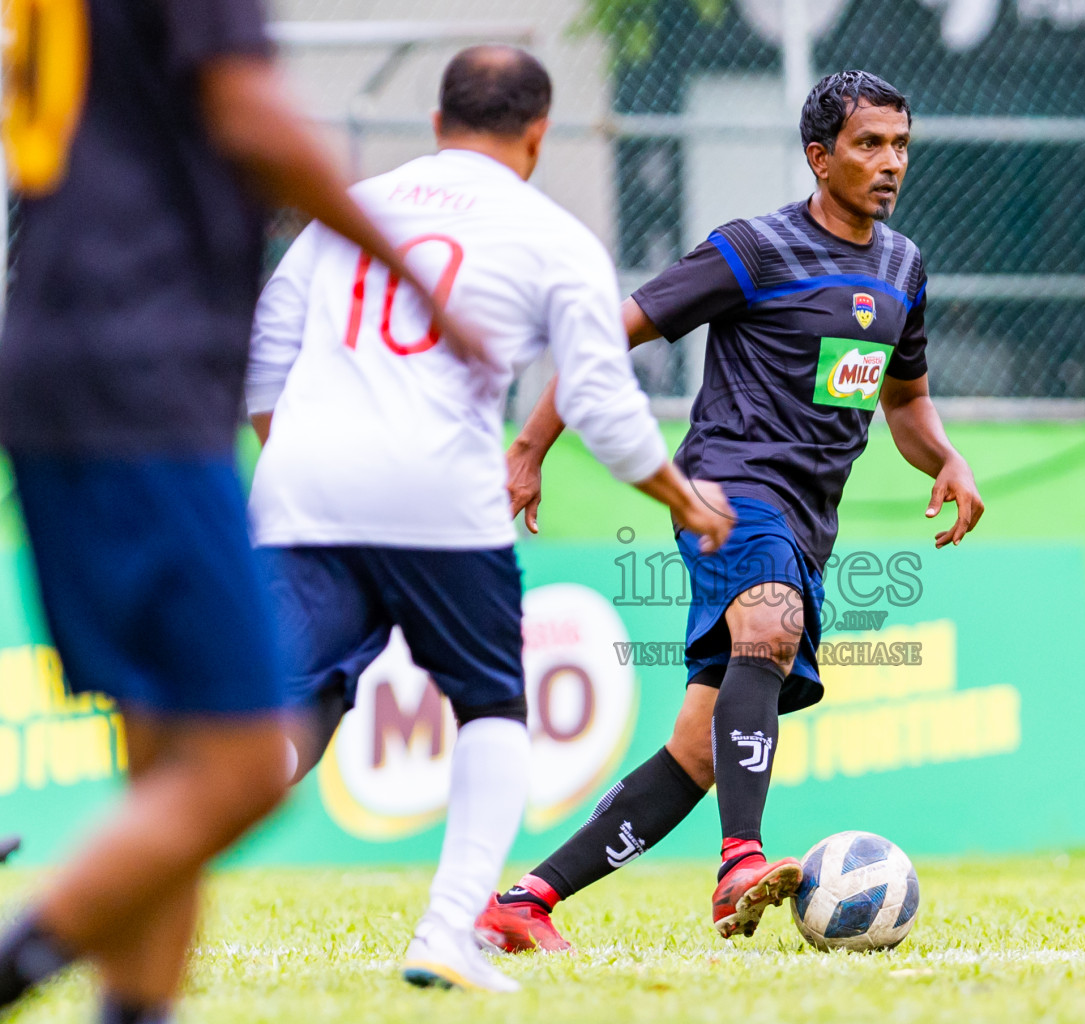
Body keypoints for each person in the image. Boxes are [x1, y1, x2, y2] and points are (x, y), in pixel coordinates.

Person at [0, 0, 482, 1020]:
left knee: (165, 756)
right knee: (239, 762)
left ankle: (136, 1009)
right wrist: (409, 276)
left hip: (61, 353)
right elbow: (248, 110)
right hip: (139, 370)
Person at [245, 46, 734, 992]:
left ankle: (138, 870)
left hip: (305, 492)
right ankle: (445, 931)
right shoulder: (552, 236)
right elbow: (598, 400)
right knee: (492, 706)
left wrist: (298, 458)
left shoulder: (351, 211)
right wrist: (679, 495)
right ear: (539, 134)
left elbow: (268, 344)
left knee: (278, 714)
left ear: (436, 123)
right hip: (440, 501)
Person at [476, 70, 985, 953]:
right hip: (725, 489)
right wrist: (530, 446)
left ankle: (523, 903)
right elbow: (605, 330)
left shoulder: (903, 267)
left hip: (806, 522)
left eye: (901, 144)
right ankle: (739, 863)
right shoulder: (752, 250)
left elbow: (904, 403)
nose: (891, 162)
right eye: (869, 144)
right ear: (819, 157)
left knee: (700, 751)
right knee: (771, 623)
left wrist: (946, 457)